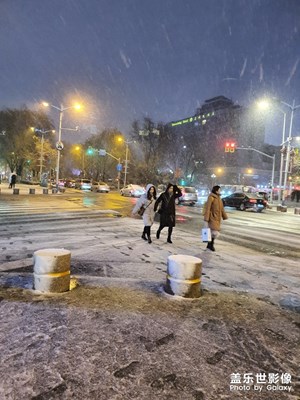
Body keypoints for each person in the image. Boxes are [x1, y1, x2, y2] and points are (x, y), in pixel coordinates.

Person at [203, 185, 228, 252]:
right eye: (219, 190)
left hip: (217, 218)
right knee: (213, 232)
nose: (220, 191)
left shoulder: (219, 198)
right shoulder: (211, 197)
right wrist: (207, 218)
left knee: (214, 232)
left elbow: (222, 209)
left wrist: (224, 216)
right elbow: (208, 208)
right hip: (212, 217)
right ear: (216, 190)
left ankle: (210, 245)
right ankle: (210, 245)